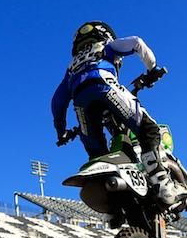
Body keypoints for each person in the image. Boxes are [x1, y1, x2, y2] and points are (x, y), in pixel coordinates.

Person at [51, 21, 178, 206]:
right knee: (148, 129)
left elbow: (57, 101)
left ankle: (113, 203)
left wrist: (61, 132)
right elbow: (136, 42)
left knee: (97, 154)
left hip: (80, 104)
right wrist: (152, 68)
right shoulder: (106, 46)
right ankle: (162, 183)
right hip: (106, 86)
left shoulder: (71, 69)